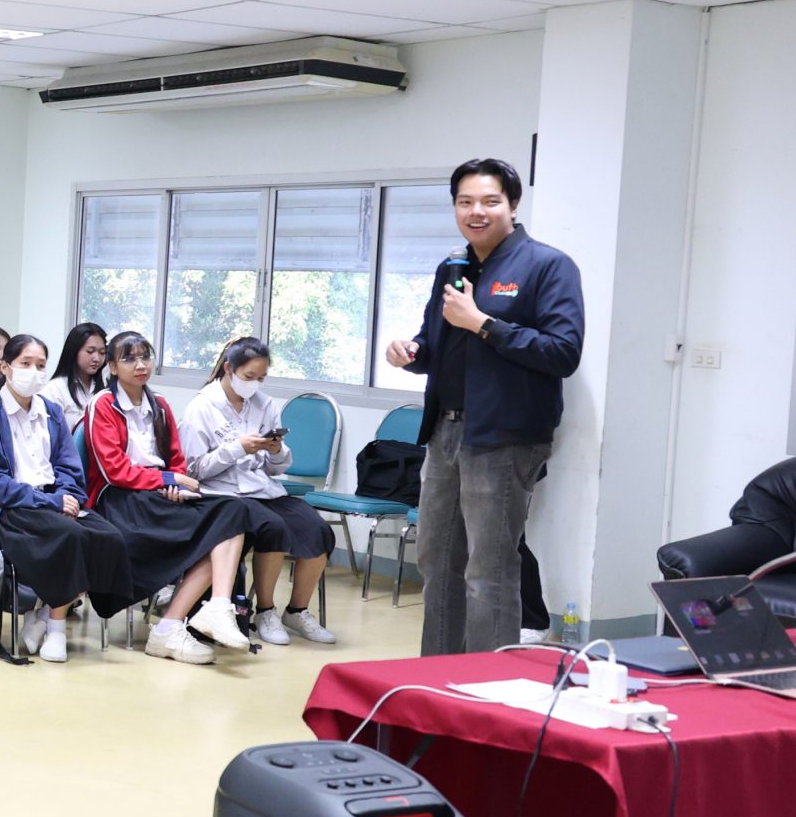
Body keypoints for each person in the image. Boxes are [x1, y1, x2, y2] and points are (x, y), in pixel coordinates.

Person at [384, 156, 583, 655]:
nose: (477, 211)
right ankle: (436, 674)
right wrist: (410, 353)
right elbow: (437, 344)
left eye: (490, 201)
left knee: (488, 570)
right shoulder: (452, 267)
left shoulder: (547, 265)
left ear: (512, 205)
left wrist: (483, 323)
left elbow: (563, 353)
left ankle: (487, 682)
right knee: (436, 562)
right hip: (445, 432)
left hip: (504, 438)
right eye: (465, 201)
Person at [83, 332, 256, 664]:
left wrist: (177, 485)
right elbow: (113, 470)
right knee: (215, 531)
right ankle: (171, 628)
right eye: (129, 359)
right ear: (112, 367)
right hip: (120, 500)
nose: (140, 365)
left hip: (160, 494)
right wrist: (166, 479)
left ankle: (212, 609)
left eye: (145, 357)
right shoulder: (102, 404)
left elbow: (176, 458)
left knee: (233, 512)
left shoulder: (159, 404)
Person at [0, 334, 137, 663]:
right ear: (6, 368)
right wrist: (50, 503)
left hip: (51, 501)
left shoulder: (51, 412)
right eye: (25, 364)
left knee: (108, 537)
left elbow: (70, 467)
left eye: (40, 365)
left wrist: (64, 497)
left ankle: (43, 614)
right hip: (9, 507)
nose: (34, 371)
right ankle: (56, 628)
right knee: (69, 536)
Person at [180, 336, 338, 647]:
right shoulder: (202, 406)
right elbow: (193, 471)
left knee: (316, 529)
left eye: (261, 378)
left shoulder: (266, 405)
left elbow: (275, 469)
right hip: (221, 493)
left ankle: (297, 610)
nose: (254, 384)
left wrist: (276, 451)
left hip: (263, 489)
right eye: (249, 376)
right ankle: (266, 610)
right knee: (273, 527)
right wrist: (237, 448)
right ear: (229, 368)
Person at [45, 321, 110, 432]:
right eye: (90, 351)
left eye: (102, 352)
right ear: (74, 351)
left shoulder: (106, 388)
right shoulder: (55, 389)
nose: (97, 358)